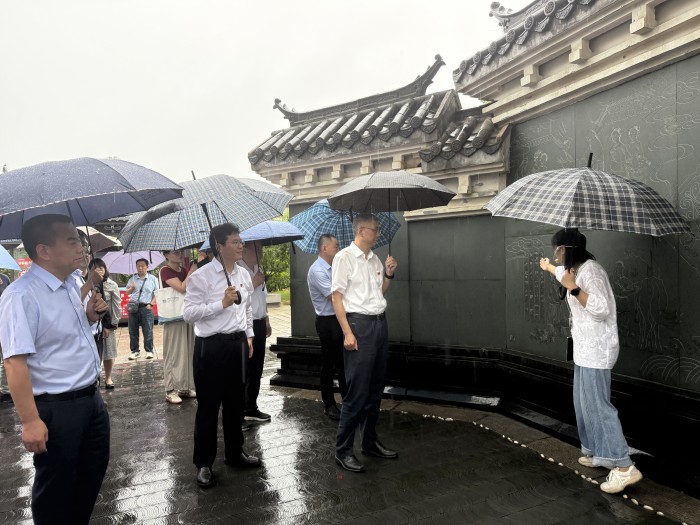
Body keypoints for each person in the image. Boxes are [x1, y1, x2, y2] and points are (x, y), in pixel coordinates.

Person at [0, 214, 110, 524]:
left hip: (91, 401)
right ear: (44, 251)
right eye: (72, 241)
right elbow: (14, 362)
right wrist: (30, 420)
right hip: (57, 410)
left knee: (90, 477)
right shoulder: (21, 296)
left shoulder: (72, 283)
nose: (81, 248)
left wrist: (90, 316)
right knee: (56, 490)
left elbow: (66, 335)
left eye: (80, 240)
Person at [539, 228, 643, 494]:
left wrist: (573, 288)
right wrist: (549, 267)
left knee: (598, 406)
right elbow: (562, 274)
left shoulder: (591, 272)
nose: (555, 254)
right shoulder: (573, 269)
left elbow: (601, 309)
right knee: (583, 404)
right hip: (584, 349)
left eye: (557, 250)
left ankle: (624, 466)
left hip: (597, 349)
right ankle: (599, 452)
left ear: (567, 249)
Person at [184, 223, 261, 489]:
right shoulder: (201, 277)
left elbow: (247, 307)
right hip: (211, 347)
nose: (241, 246)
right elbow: (189, 313)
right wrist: (221, 304)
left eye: (241, 241)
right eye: (235, 242)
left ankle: (234, 452)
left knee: (235, 403)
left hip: (237, 344)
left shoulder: (242, 273)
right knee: (208, 406)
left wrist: (249, 335)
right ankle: (204, 463)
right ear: (219, 246)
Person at [331, 214, 398, 473]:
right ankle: (343, 450)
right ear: (361, 230)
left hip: (379, 324)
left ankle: (369, 442)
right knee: (357, 392)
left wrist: (389, 274)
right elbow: (336, 298)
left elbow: (378, 293)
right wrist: (347, 332)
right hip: (359, 326)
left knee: (375, 389)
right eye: (375, 229)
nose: (378, 233)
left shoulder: (375, 259)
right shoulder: (344, 258)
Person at [307, 234, 347, 420]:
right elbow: (334, 297)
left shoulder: (334, 267)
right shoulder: (317, 270)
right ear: (324, 248)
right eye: (335, 246)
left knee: (343, 363)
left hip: (339, 319)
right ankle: (329, 404)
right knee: (330, 364)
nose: (338, 249)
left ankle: (348, 401)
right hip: (328, 322)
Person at [238, 240, 272, 425]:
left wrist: (266, 319)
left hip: (259, 322)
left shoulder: (258, 269)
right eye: (257, 248)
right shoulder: (238, 270)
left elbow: (262, 296)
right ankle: (239, 411)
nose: (261, 251)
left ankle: (251, 406)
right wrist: (253, 283)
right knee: (244, 369)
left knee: (257, 368)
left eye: (262, 248)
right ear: (245, 250)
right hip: (244, 325)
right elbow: (238, 298)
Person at [160, 249, 197, 404]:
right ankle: (170, 389)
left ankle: (184, 386)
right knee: (173, 353)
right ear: (166, 255)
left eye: (180, 252)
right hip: (173, 318)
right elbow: (181, 287)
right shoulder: (165, 270)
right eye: (175, 252)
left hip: (186, 314)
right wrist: (192, 271)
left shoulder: (183, 269)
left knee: (187, 350)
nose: (179, 254)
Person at [89, 259, 120, 390]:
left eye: (101, 268)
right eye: (96, 268)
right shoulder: (86, 284)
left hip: (107, 324)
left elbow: (116, 306)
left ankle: (108, 377)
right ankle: (94, 379)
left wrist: (111, 325)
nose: (99, 271)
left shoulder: (111, 284)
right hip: (92, 325)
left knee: (108, 352)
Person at [125, 258, 159, 360]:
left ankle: (149, 351)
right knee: (133, 331)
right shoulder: (132, 279)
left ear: (147, 267)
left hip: (146, 307)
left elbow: (157, 293)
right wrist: (132, 288)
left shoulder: (153, 279)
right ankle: (135, 351)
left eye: (142, 266)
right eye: (138, 266)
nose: (140, 268)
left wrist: (151, 304)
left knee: (148, 330)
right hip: (133, 307)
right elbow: (127, 292)